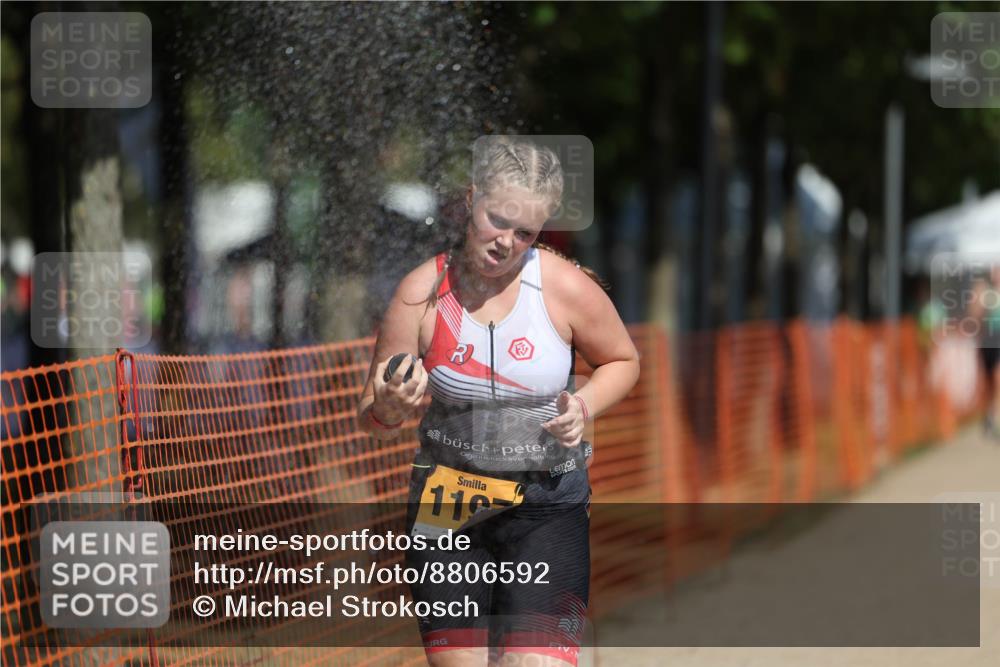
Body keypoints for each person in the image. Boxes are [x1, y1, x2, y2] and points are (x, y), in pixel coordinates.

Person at [356, 137, 640, 666]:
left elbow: (624, 361)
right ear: (471, 199)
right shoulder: (420, 293)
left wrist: (582, 407)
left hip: (546, 504)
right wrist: (392, 406)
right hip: (450, 504)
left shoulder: (564, 289)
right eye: (498, 219)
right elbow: (374, 413)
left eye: (524, 231)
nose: (505, 241)